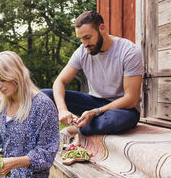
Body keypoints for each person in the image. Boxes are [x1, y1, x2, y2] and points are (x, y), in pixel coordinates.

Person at [42, 10, 143, 138]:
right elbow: (59, 82)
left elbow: (131, 99)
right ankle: (45, 136)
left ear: (102, 28)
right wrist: (62, 109)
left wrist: (96, 112)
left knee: (115, 120)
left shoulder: (129, 51)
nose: (85, 44)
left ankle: (75, 129)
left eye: (87, 37)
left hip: (122, 108)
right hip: (94, 102)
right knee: (44, 95)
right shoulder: (82, 51)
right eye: (81, 39)